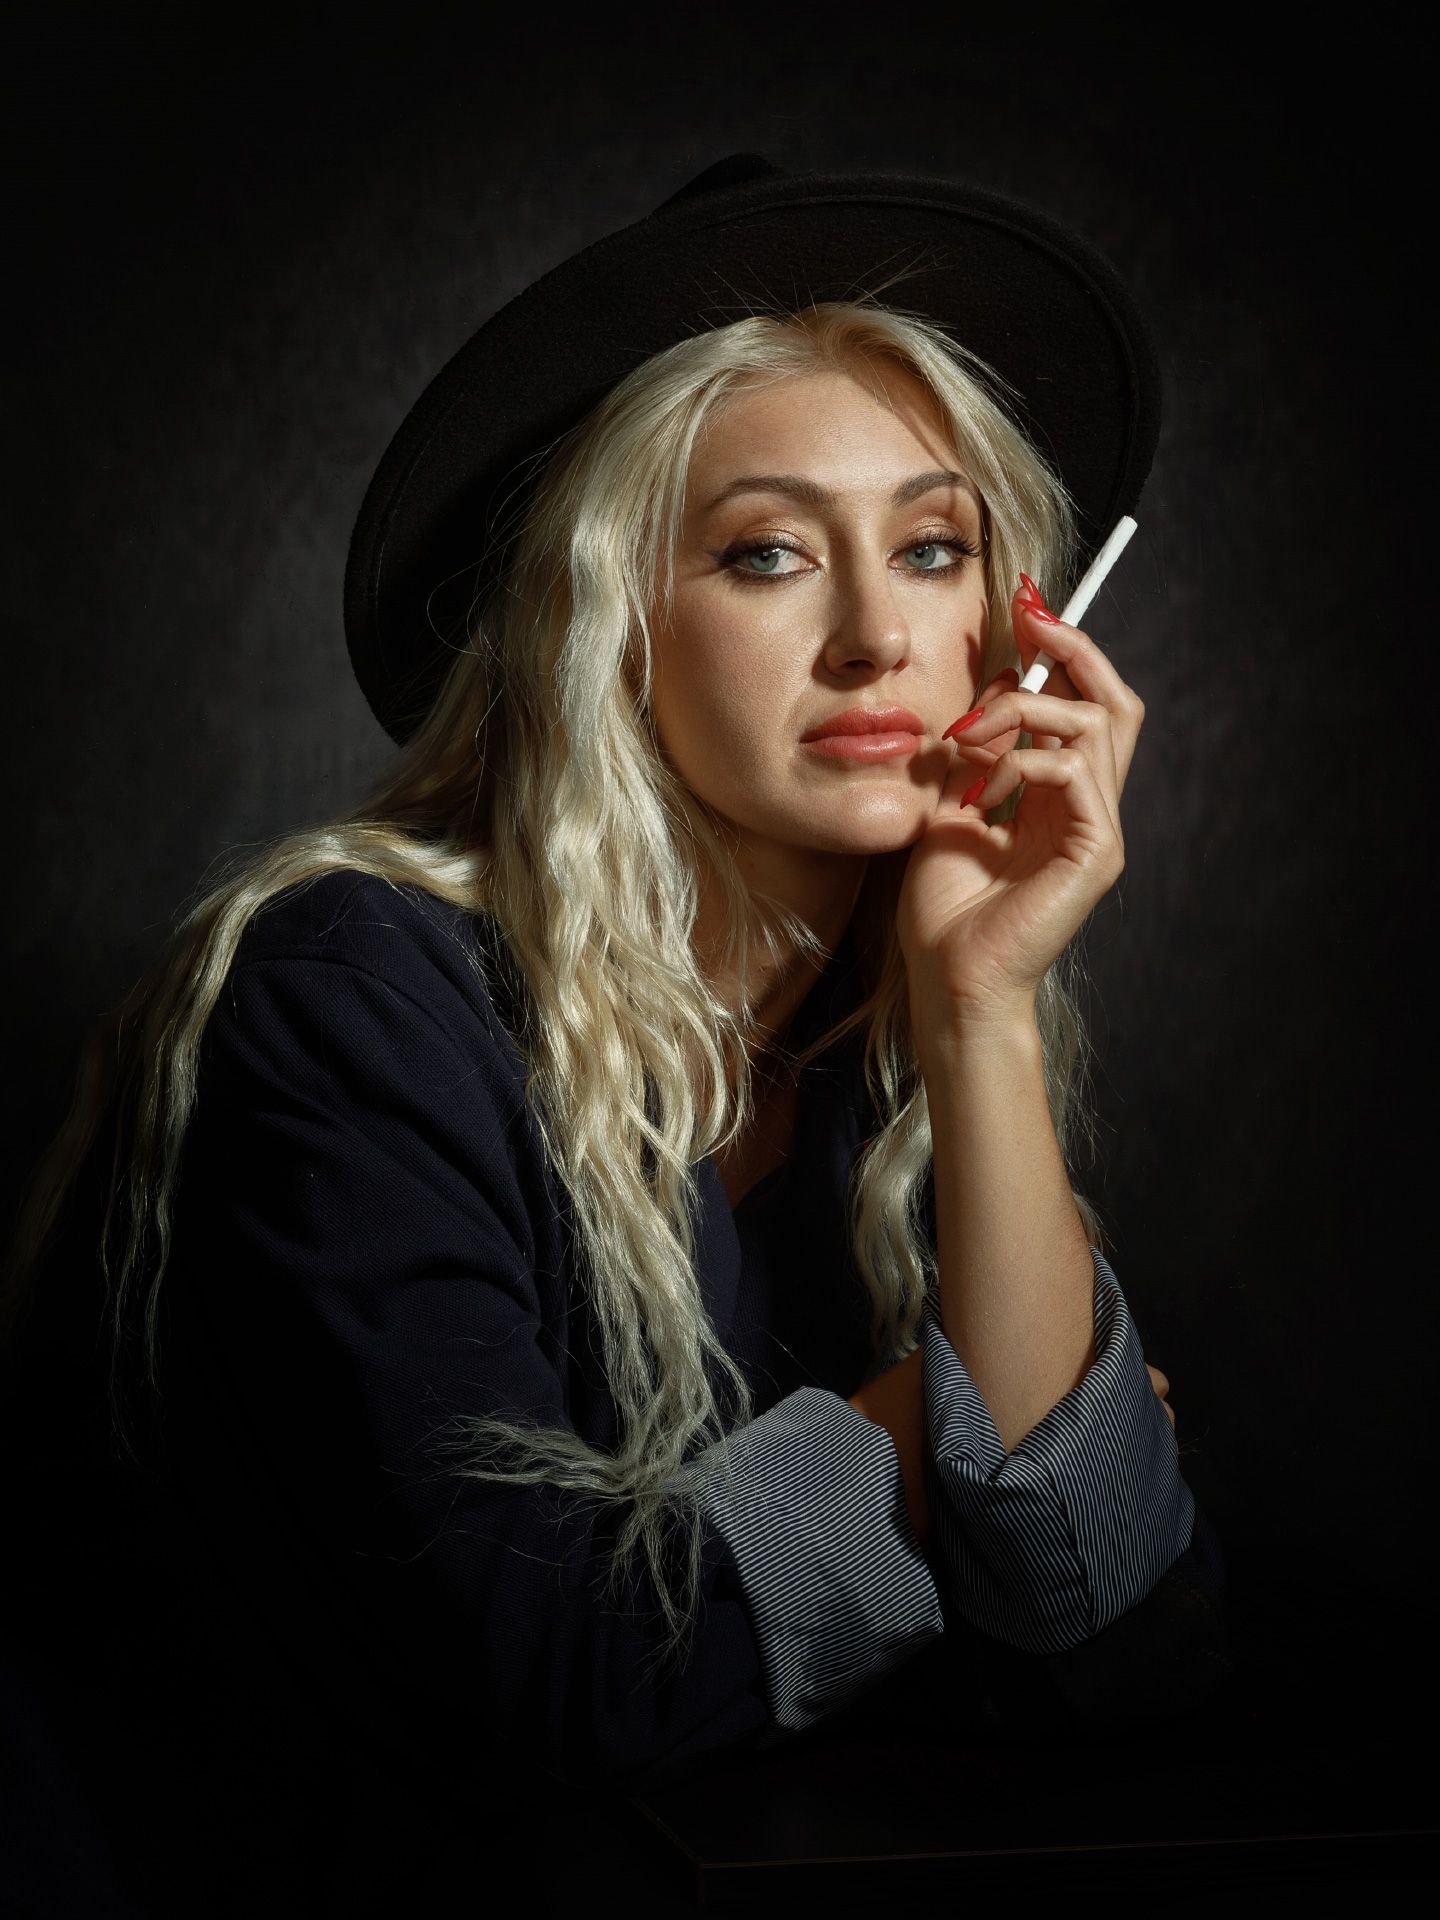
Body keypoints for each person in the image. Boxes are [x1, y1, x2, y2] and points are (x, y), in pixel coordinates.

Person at [1, 156, 1233, 1913]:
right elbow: (532, 1676)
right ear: (606, 619)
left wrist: (985, 1011)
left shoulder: (897, 1044)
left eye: (934, 549)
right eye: (767, 554)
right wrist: (914, 1441)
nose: (877, 636)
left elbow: (1107, 1654)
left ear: (1014, 628)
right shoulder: (349, 993)